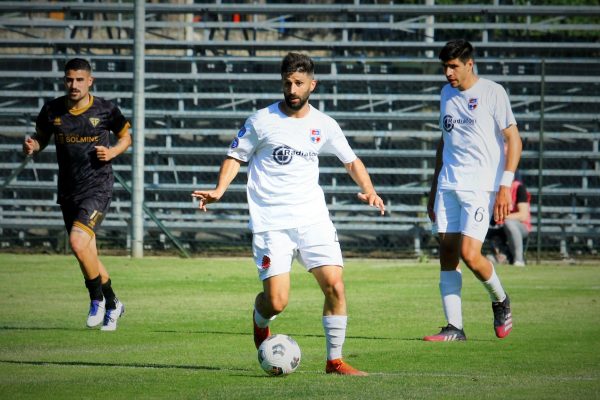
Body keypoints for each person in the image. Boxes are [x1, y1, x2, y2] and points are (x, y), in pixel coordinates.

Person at [192, 52, 385, 375]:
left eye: (298, 83)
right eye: (287, 83)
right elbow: (235, 157)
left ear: (313, 84)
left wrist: (370, 189)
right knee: (277, 302)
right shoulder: (261, 120)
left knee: (335, 285)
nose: (292, 90)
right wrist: (219, 189)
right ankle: (259, 318)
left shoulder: (324, 124)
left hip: (312, 218)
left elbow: (351, 160)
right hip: (272, 223)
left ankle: (334, 360)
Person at [23, 58, 131, 331]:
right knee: (86, 253)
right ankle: (113, 303)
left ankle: (96, 299)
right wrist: (33, 146)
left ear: (89, 81)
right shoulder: (52, 109)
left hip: (97, 188)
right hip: (68, 191)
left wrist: (113, 152)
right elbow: (42, 138)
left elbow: (126, 136)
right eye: (69, 79)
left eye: (79, 80)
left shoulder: (106, 109)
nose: (74, 85)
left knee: (77, 242)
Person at [425, 39, 521, 341]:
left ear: (469, 63)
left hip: (480, 187)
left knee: (469, 253)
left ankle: (500, 299)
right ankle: (455, 327)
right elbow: (445, 140)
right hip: (448, 184)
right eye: (445, 67)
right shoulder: (445, 93)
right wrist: (433, 186)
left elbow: (514, 140)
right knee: (448, 253)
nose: (448, 73)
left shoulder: (493, 92)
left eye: (453, 66)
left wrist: (505, 186)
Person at [487, 173, 531, 267]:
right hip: (501, 226)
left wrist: (502, 216)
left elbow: (523, 215)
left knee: (509, 223)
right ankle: (503, 255)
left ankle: (519, 260)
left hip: (520, 227)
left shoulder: (519, 188)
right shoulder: (496, 189)